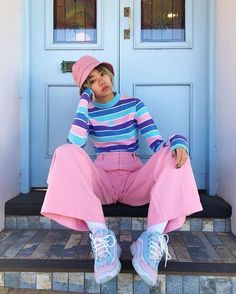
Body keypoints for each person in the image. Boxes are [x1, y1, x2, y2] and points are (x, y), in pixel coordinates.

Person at [41, 55, 203, 286]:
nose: (101, 81)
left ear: (110, 74)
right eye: (92, 81)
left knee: (173, 153)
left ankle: (151, 240)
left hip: (133, 180)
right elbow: (75, 143)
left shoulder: (134, 104)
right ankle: (102, 239)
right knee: (65, 152)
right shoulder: (88, 112)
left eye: (103, 74)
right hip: (103, 182)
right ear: (86, 89)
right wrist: (84, 102)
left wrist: (178, 141)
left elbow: (156, 143)